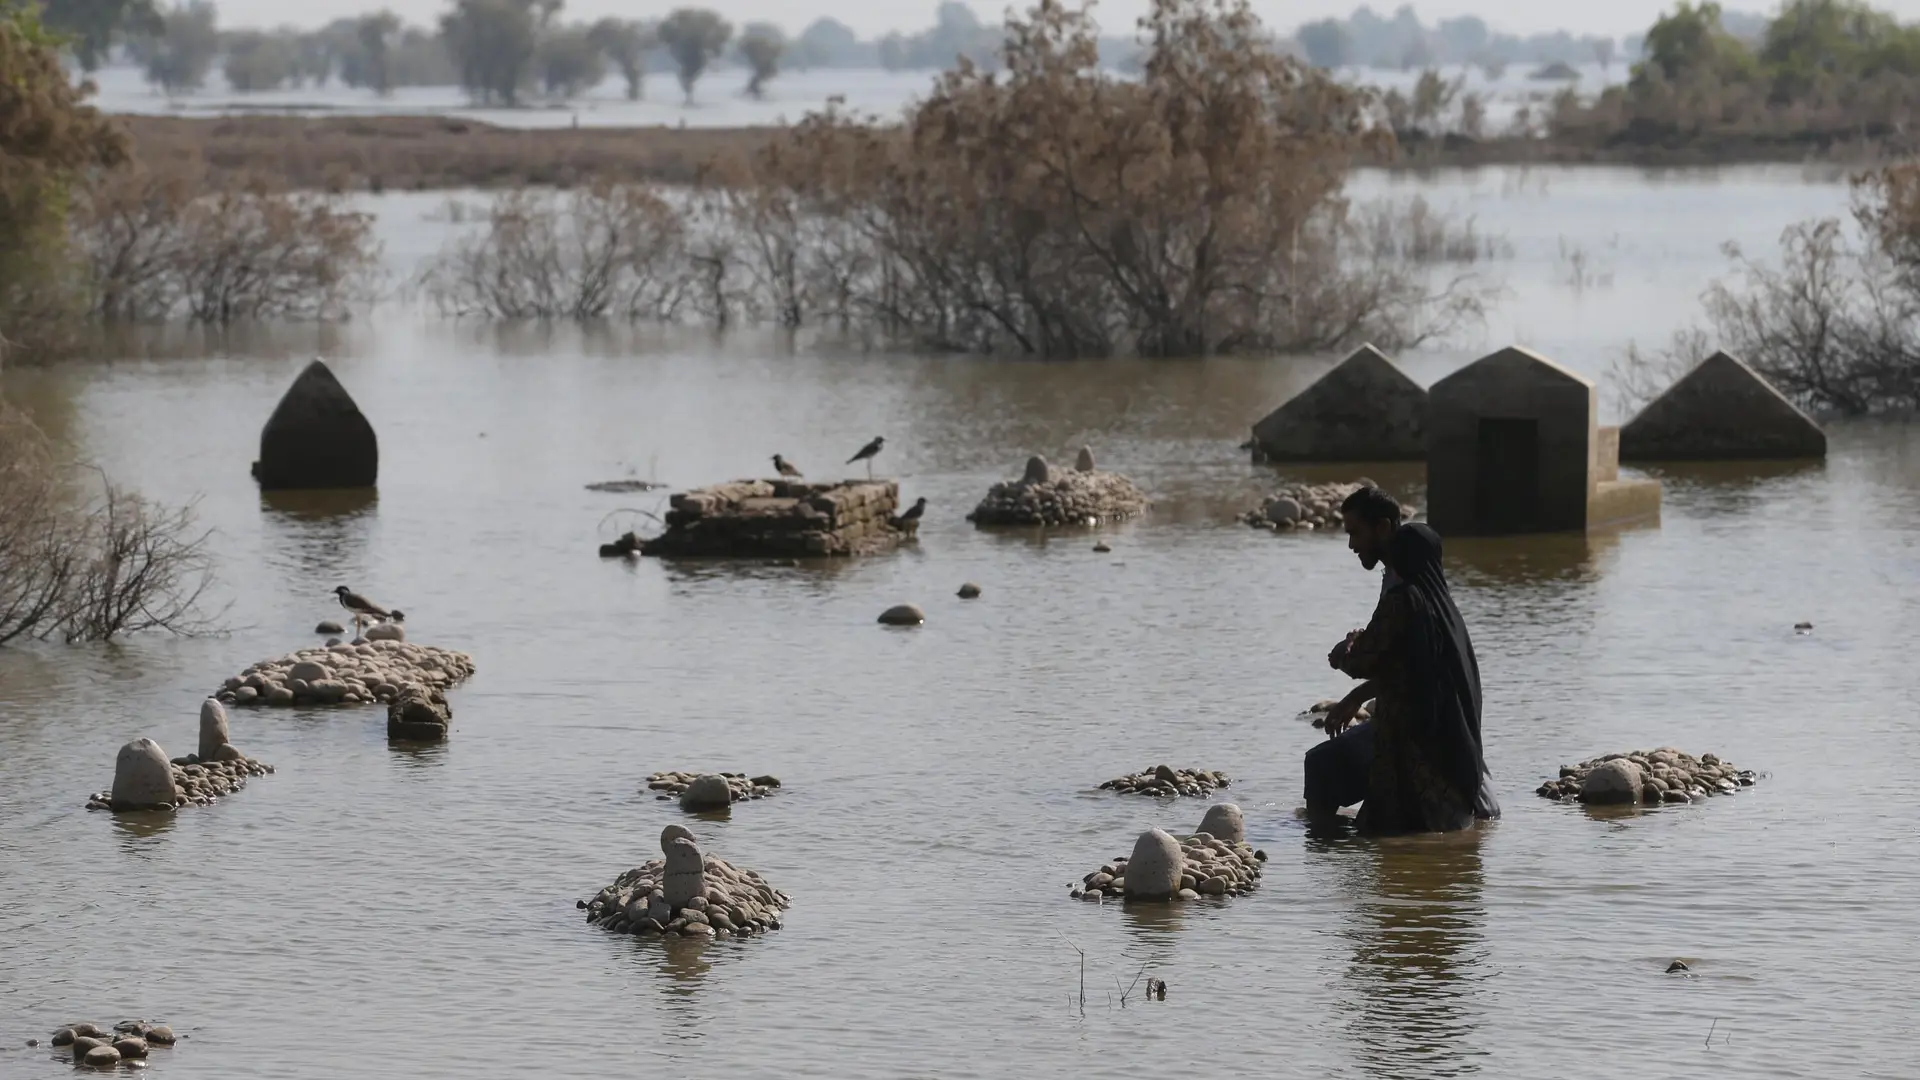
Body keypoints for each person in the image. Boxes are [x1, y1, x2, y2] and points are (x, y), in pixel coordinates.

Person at [1332, 522, 1500, 834]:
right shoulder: (1444, 609)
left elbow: (1363, 660)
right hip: (1449, 749)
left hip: (1410, 749)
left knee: (1391, 835)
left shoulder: (1403, 599)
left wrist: (1346, 648)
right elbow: (1408, 667)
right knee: (1435, 840)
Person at [1302, 486, 1404, 823]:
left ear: (1384, 528)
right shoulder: (1400, 575)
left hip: (1415, 725)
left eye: (1355, 533)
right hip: (1405, 711)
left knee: (1322, 765)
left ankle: (1322, 853)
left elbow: (1398, 660)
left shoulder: (1406, 582)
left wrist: (1348, 659)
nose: (1351, 545)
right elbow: (1399, 652)